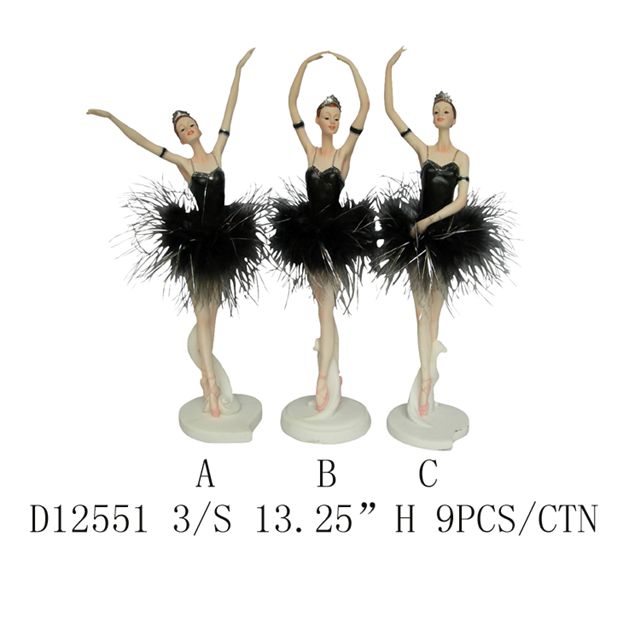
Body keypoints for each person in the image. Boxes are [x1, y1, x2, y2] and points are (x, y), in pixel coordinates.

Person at [87, 49, 264, 418]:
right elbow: (144, 143)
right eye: (183, 129)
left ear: (198, 127)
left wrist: (237, 71)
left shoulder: (217, 153)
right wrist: (113, 118)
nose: (189, 130)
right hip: (199, 240)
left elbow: (230, 111)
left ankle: (209, 373)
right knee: (202, 312)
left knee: (213, 312)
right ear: (180, 138)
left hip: (225, 236)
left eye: (190, 124)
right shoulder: (184, 162)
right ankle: (208, 383)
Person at [377, 47, 512, 417]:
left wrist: (429, 221)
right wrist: (389, 68)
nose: (440, 115)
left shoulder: (461, 158)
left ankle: (428, 378)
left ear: (454, 117)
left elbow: (461, 200)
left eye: (445, 111)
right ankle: (426, 376)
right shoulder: (423, 151)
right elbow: (391, 112)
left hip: (444, 237)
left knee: (434, 311)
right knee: (419, 311)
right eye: (436, 111)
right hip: (416, 238)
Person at [270, 51, 375, 412]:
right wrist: (303, 65)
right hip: (308, 233)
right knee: (322, 306)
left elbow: (366, 107)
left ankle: (321, 377)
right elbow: (291, 106)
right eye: (327, 117)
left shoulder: (343, 154)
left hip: (335, 236)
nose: (332, 122)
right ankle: (333, 370)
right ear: (318, 119)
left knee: (326, 308)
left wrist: (352, 65)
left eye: (336, 118)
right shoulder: (311, 151)